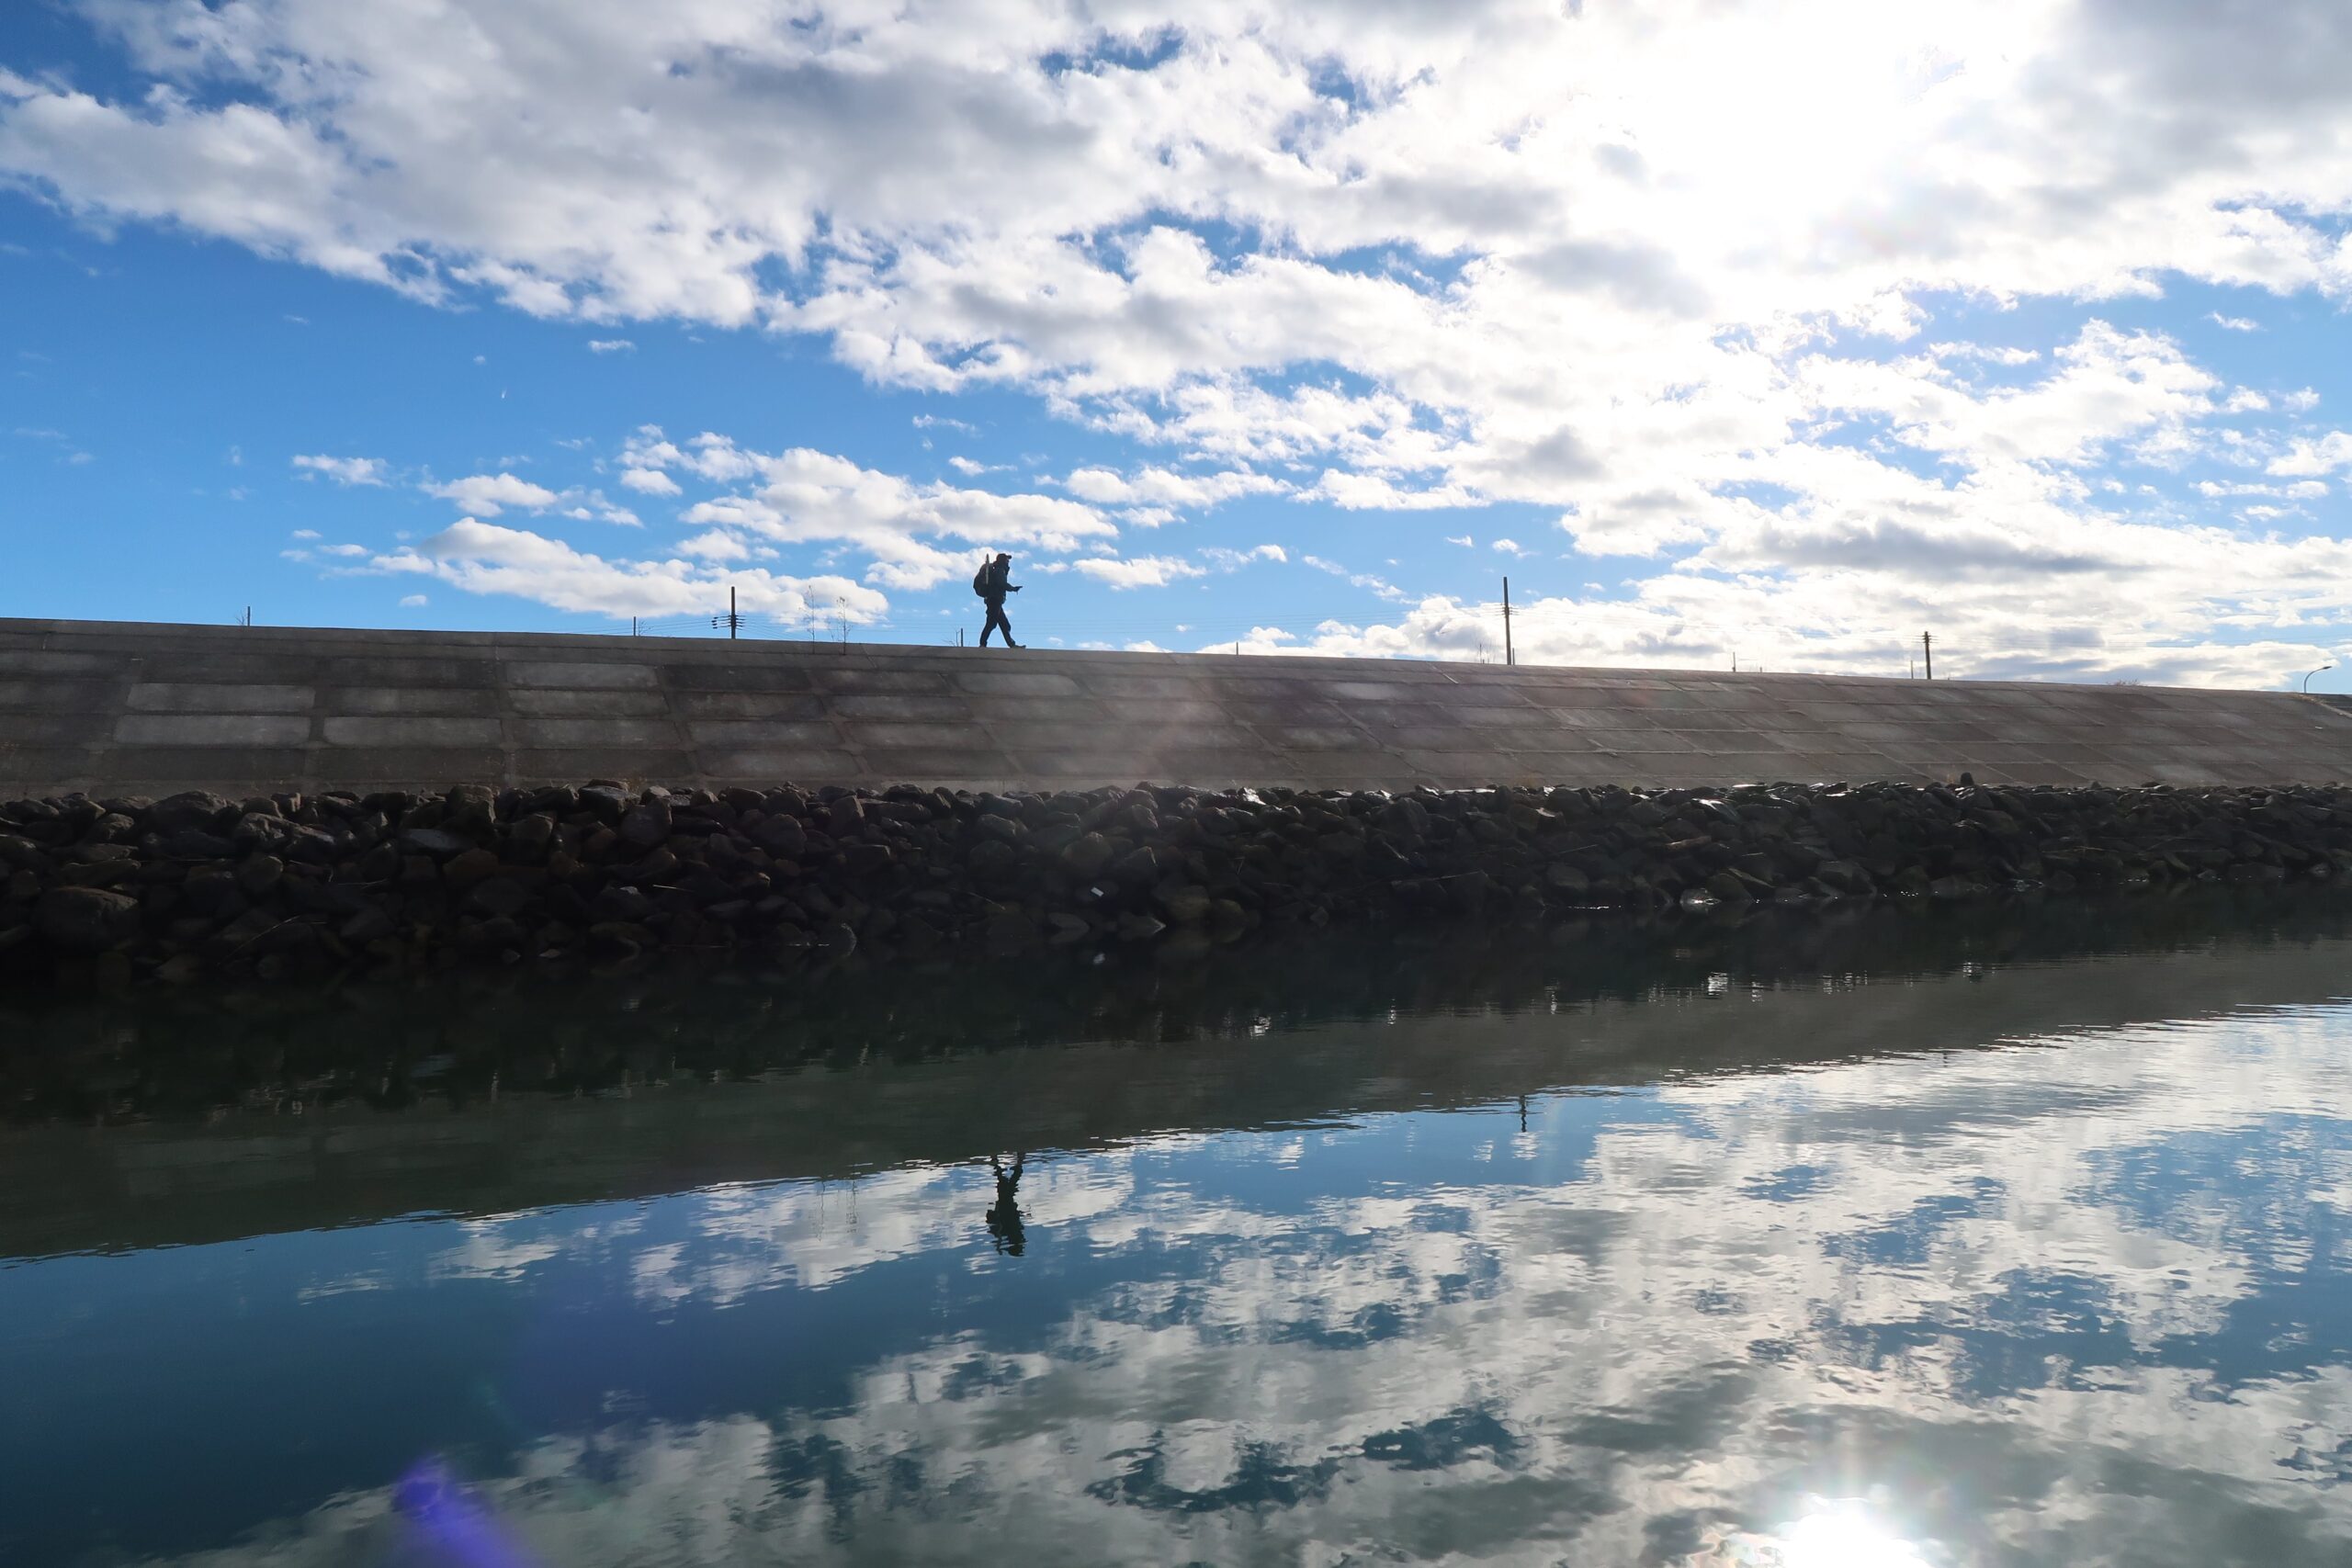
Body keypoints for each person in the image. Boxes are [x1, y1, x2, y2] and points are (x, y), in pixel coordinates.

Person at [973, 551, 1023, 649]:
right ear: (1003, 561)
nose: (1008, 561)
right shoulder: (1000, 570)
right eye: (1007, 560)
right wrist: (1013, 588)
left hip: (995, 600)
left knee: (1005, 624)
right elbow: (1002, 584)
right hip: (995, 600)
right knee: (992, 623)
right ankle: (982, 644)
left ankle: (1011, 644)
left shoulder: (995, 569)